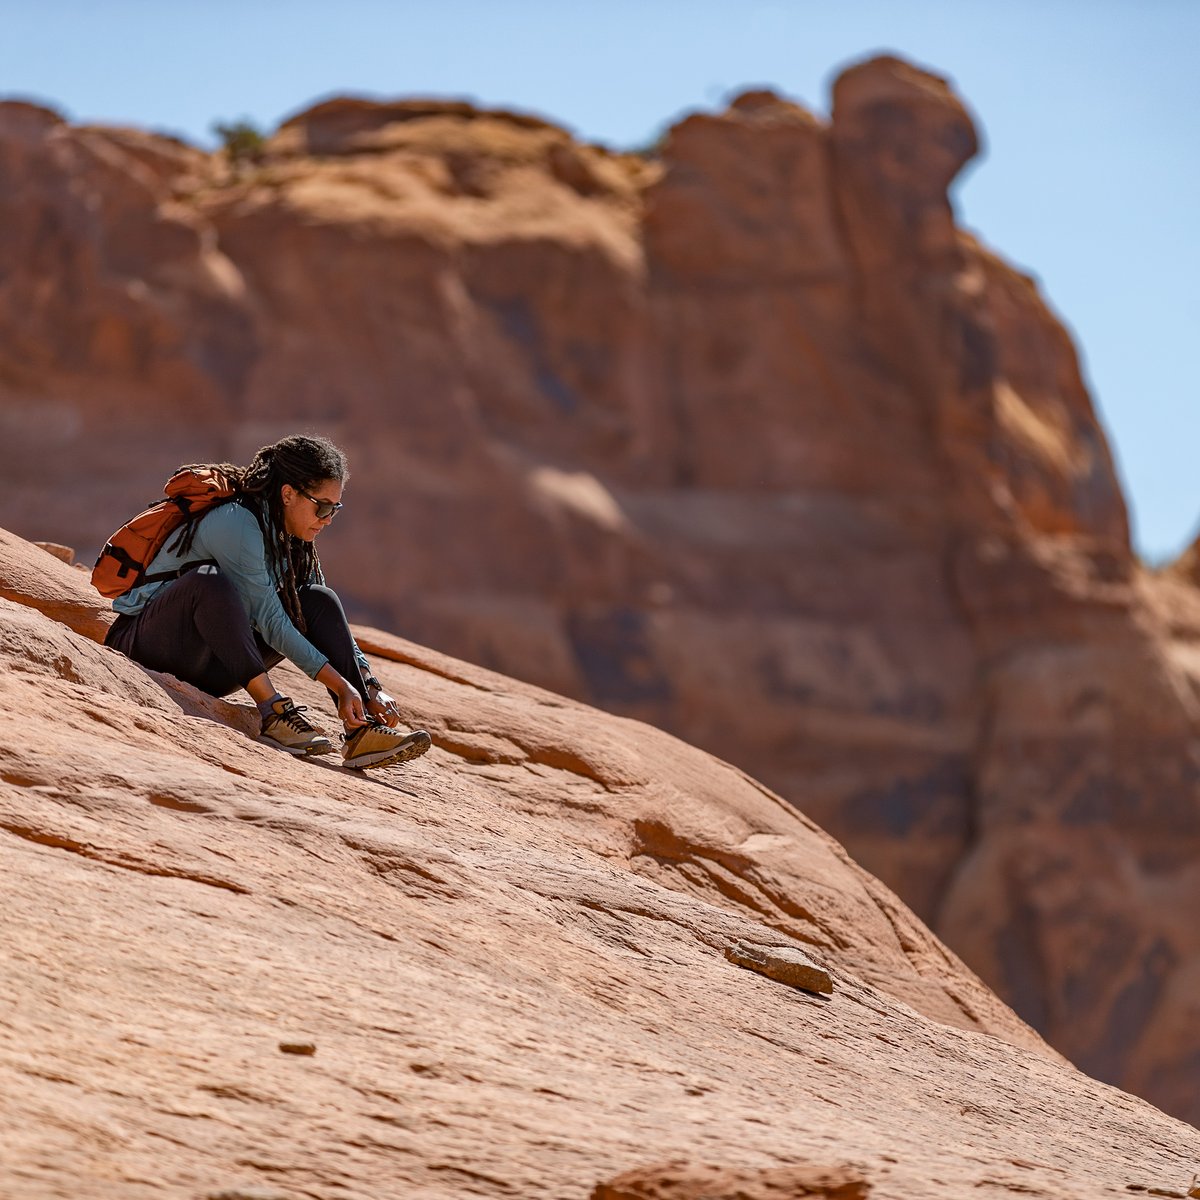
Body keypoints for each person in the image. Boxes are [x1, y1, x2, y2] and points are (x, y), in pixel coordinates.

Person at [103, 434, 431, 770]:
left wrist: (367, 685)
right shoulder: (236, 522)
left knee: (318, 600)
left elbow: (322, 619)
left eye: (335, 507)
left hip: (212, 666)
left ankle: (361, 732)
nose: (328, 517)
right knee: (207, 584)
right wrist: (338, 683)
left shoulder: (286, 535)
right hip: (146, 646)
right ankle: (273, 714)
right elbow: (269, 619)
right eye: (322, 506)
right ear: (288, 494)